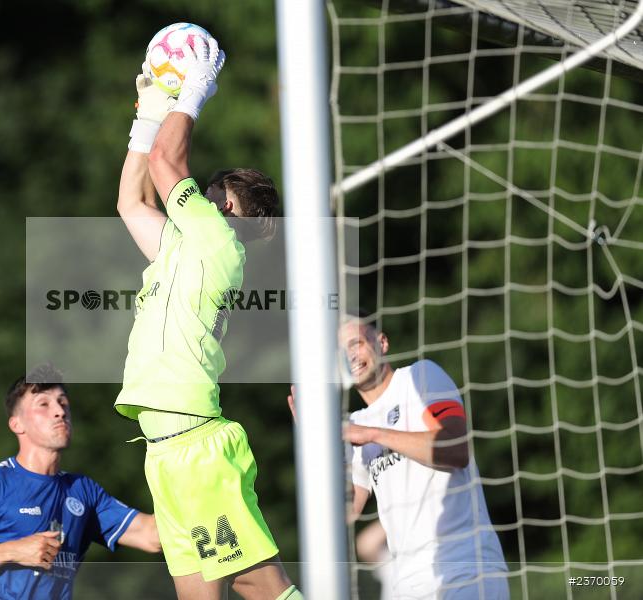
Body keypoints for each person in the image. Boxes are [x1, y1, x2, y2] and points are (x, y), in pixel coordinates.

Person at [114, 33, 301, 600]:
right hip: (166, 451)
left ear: (228, 210)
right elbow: (131, 201)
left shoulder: (216, 239)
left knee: (267, 590)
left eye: (210, 194)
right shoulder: (186, 246)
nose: (194, 196)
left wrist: (194, 89)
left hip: (195, 447)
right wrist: (148, 114)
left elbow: (165, 163)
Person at [289, 313, 509, 599]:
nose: (350, 356)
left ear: (381, 343)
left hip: (464, 569)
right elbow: (347, 509)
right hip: (406, 584)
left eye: (356, 343)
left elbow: (456, 450)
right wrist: (320, 445)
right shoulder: (355, 423)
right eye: (341, 352)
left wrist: (373, 434)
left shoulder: (419, 378)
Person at [0, 365, 162, 599]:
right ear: (17, 424)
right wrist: (11, 551)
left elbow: (152, 535)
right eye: (43, 404)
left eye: (63, 402)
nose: (59, 411)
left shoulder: (82, 490)